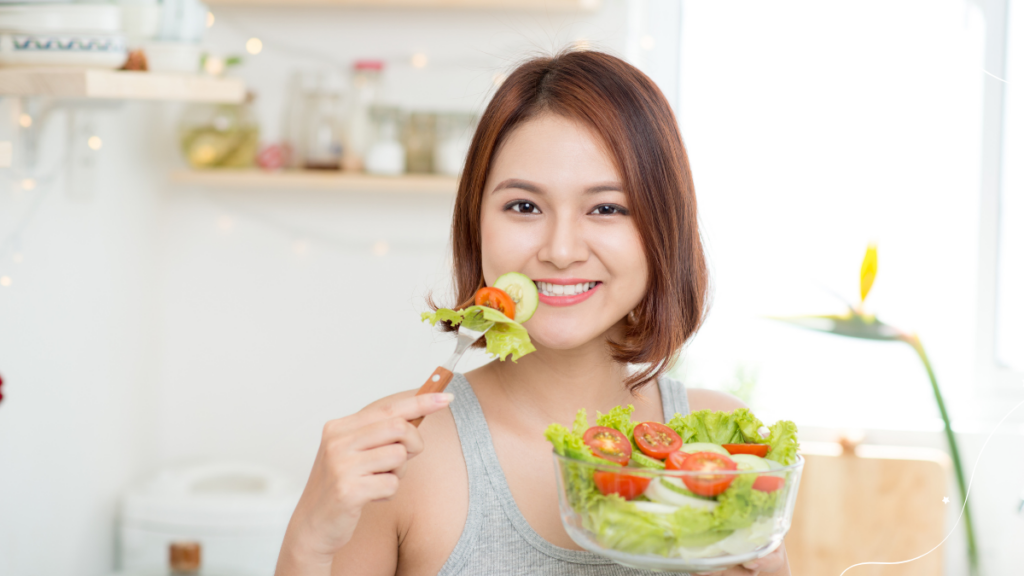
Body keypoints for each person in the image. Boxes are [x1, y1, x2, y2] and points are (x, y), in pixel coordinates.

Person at [275, 50, 791, 576]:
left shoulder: (721, 448)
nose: (561, 250)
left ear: (663, 228)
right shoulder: (401, 454)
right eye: (524, 206)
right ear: (476, 224)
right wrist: (309, 541)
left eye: (607, 208)